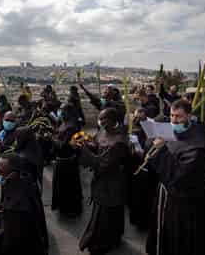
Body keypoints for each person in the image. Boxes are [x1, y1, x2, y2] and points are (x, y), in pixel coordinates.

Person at [145, 99, 205, 255]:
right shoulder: (171, 130)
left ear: (189, 116)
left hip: (182, 199)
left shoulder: (198, 143)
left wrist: (161, 151)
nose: (173, 120)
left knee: (178, 235)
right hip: (165, 192)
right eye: (171, 115)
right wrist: (152, 146)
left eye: (178, 117)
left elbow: (180, 174)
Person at [76, 108, 131, 255]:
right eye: (100, 119)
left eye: (104, 119)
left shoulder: (119, 141)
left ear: (113, 120)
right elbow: (97, 145)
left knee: (109, 212)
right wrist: (87, 144)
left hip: (112, 184)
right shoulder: (102, 131)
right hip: (101, 182)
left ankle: (106, 241)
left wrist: (86, 152)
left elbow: (105, 165)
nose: (101, 122)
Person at [0, 155, 48, 255]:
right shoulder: (22, 181)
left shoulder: (16, 208)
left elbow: (10, 242)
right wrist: (0, 206)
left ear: (12, 174)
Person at [128, 108, 157, 229]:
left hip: (148, 169)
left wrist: (142, 153)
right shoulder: (133, 129)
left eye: (141, 118)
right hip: (136, 167)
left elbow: (149, 150)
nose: (138, 120)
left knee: (146, 197)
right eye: (137, 118)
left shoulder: (152, 129)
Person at [51, 103, 83, 216]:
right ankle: (63, 208)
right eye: (60, 110)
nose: (60, 112)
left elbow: (64, 146)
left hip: (67, 162)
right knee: (62, 187)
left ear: (68, 113)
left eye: (63, 110)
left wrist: (51, 139)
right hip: (61, 160)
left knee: (69, 188)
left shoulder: (72, 127)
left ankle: (70, 210)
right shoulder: (63, 124)